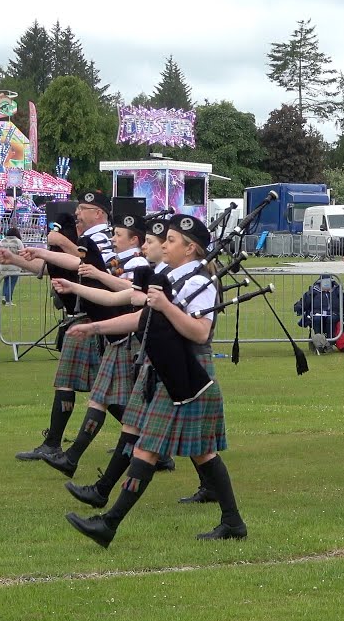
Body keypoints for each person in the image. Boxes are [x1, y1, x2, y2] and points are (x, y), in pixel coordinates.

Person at [65, 214, 247, 546]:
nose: (164, 244)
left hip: (188, 373)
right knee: (202, 453)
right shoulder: (174, 278)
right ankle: (233, 523)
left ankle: (108, 523)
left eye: (172, 241)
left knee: (148, 450)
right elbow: (142, 317)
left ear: (191, 248)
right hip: (170, 369)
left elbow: (200, 331)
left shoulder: (197, 283)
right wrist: (94, 327)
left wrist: (165, 304)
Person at [0, 192, 128, 462]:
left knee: (77, 383)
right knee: (102, 389)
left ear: (100, 213)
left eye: (84, 208)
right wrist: (15, 259)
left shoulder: (99, 237)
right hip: (91, 315)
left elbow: (94, 267)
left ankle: (54, 444)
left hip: (94, 315)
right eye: (79, 208)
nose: (78, 213)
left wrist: (58, 243)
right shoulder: (85, 238)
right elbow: (51, 267)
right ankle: (143, 440)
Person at [36, 214, 159, 479]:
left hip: (131, 337)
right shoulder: (122, 260)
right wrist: (75, 286)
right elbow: (115, 294)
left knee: (130, 410)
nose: (113, 240)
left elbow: (128, 295)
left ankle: (78, 461)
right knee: (103, 400)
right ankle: (74, 459)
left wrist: (98, 276)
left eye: (118, 236)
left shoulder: (138, 262)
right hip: (119, 334)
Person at [295, 275, 344, 354]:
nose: (326, 285)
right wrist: (299, 307)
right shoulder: (312, 292)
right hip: (316, 315)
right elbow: (303, 303)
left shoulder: (337, 292)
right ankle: (319, 343)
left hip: (334, 315)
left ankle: (329, 343)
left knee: (332, 319)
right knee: (317, 319)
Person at [0, 228, 24, 306]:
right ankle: (8, 300)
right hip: (14, 265)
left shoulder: (2, 241)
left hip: (4, 265)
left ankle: (4, 297)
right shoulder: (18, 241)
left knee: (5, 282)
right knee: (11, 283)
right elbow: (22, 252)